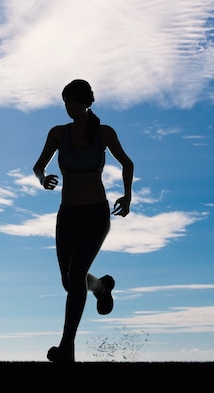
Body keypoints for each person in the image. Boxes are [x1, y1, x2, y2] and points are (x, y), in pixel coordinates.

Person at [32, 79, 134, 363]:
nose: (69, 107)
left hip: (95, 214)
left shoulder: (104, 133)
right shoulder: (57, 133)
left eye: (73, 101)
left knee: (76, 276)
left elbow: (127, 163)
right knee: (69, 281)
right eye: (65, 102)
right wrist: (43, 179)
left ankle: (67, 348)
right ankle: (102, 286)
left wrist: (127, 197)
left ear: (86, 102)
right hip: (68, 215)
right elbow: (38, 166)